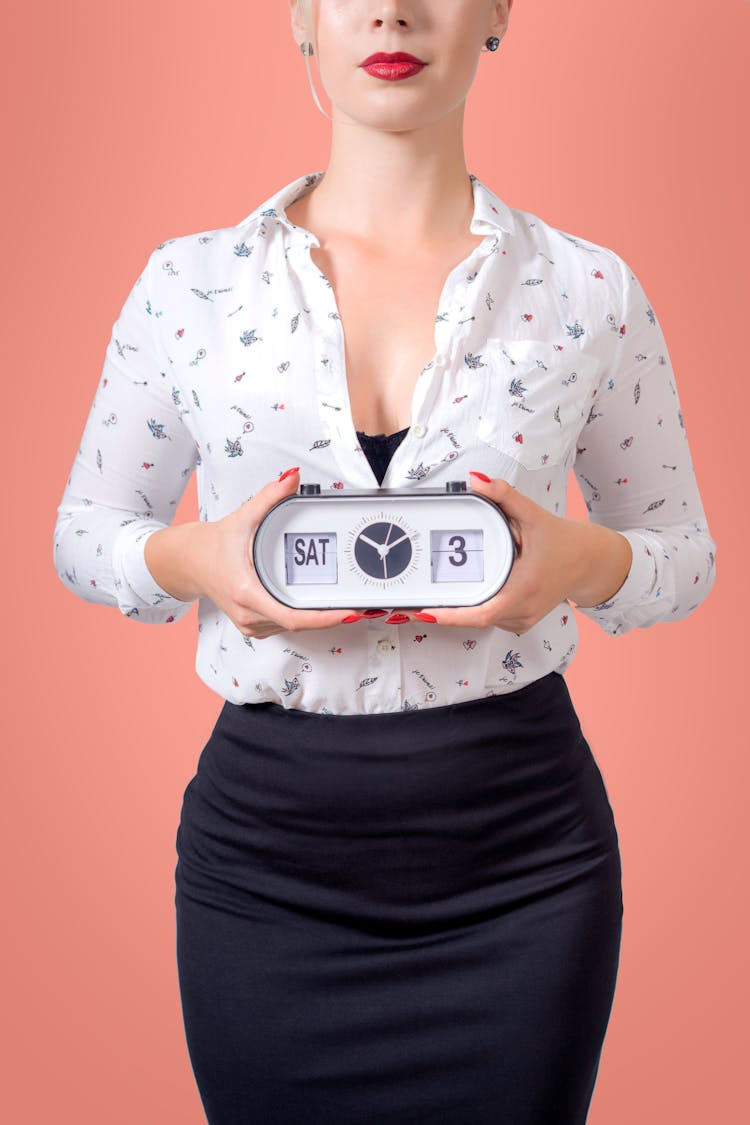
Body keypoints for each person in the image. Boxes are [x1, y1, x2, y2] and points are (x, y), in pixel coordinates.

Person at [53, 2, 717, 1122]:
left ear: (501, 9)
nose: (391, 9)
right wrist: (192, 558)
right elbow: (85, 531)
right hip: (267, 866)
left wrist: (581, 563)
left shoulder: (587, 289)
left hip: (524, 864)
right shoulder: (190, 285)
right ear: (300, 18)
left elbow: (682, 555)